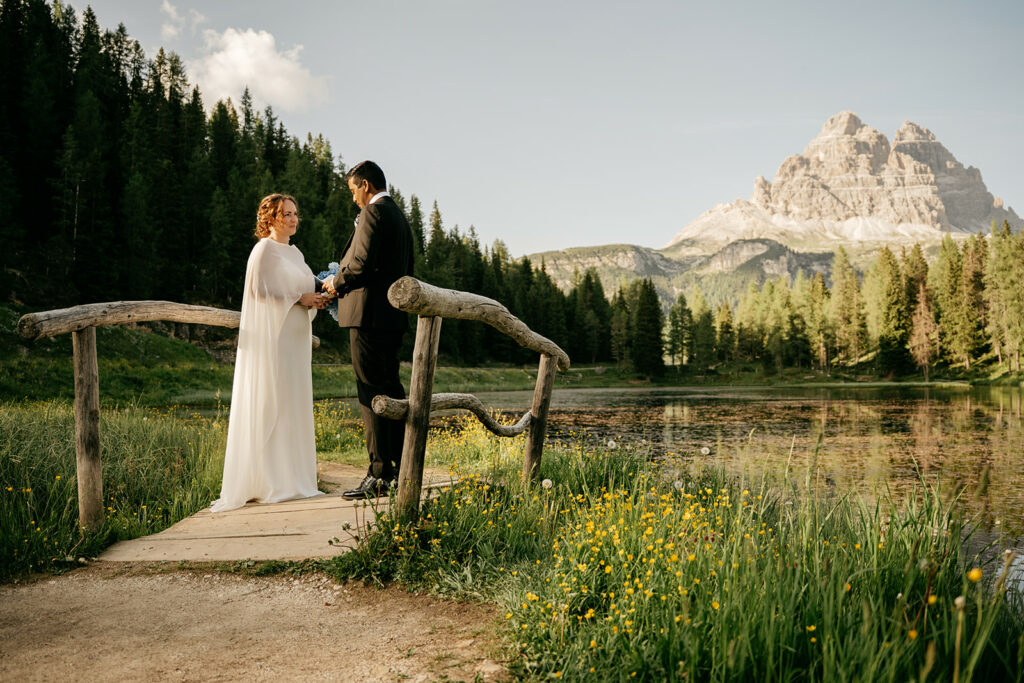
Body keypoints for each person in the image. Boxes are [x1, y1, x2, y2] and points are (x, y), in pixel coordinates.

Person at [211, 194, 330, 512]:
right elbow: (258, 291)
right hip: (275, 339)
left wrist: (321, 293)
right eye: (285, 214)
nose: (293, 219)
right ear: (270, 218)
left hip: (296, 338)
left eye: (295, 214)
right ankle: (268, 480)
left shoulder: (295, 252)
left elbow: (308, 284)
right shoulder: (263, 250)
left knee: (293, 401)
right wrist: (299, 297)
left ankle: (294, 479)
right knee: (272, 400)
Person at [322, 161, 414, 499]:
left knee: (371, 394)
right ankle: (401, 467)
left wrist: (334, 283)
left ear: (365, 185)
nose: (353, 199)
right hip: (391, 318)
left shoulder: (374, 214)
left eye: (353, 191)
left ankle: (378, 475)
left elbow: (359, 265)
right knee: (391, 391)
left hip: (368, 318)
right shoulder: (401, 218)